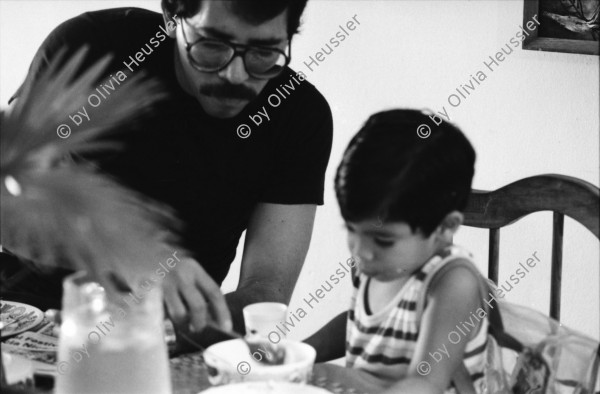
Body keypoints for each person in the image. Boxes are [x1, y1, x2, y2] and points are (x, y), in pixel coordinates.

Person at [3, 0, 333, 346]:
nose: (235, 75)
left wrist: (166, 330)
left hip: (167, 336)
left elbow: (267, 292)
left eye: (264, 52)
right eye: (212, 45)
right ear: (172, 17)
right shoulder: (93, 45)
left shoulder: (299, 116)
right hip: (22, 312)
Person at [305, 109, 490, 393]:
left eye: (383, 240)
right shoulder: (375, 261)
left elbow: (425, 383)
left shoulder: (452, 283)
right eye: (351, 230)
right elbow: (362, 328)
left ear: (445, 227)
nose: (361, 251)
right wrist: (300, 354)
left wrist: (337, 379)